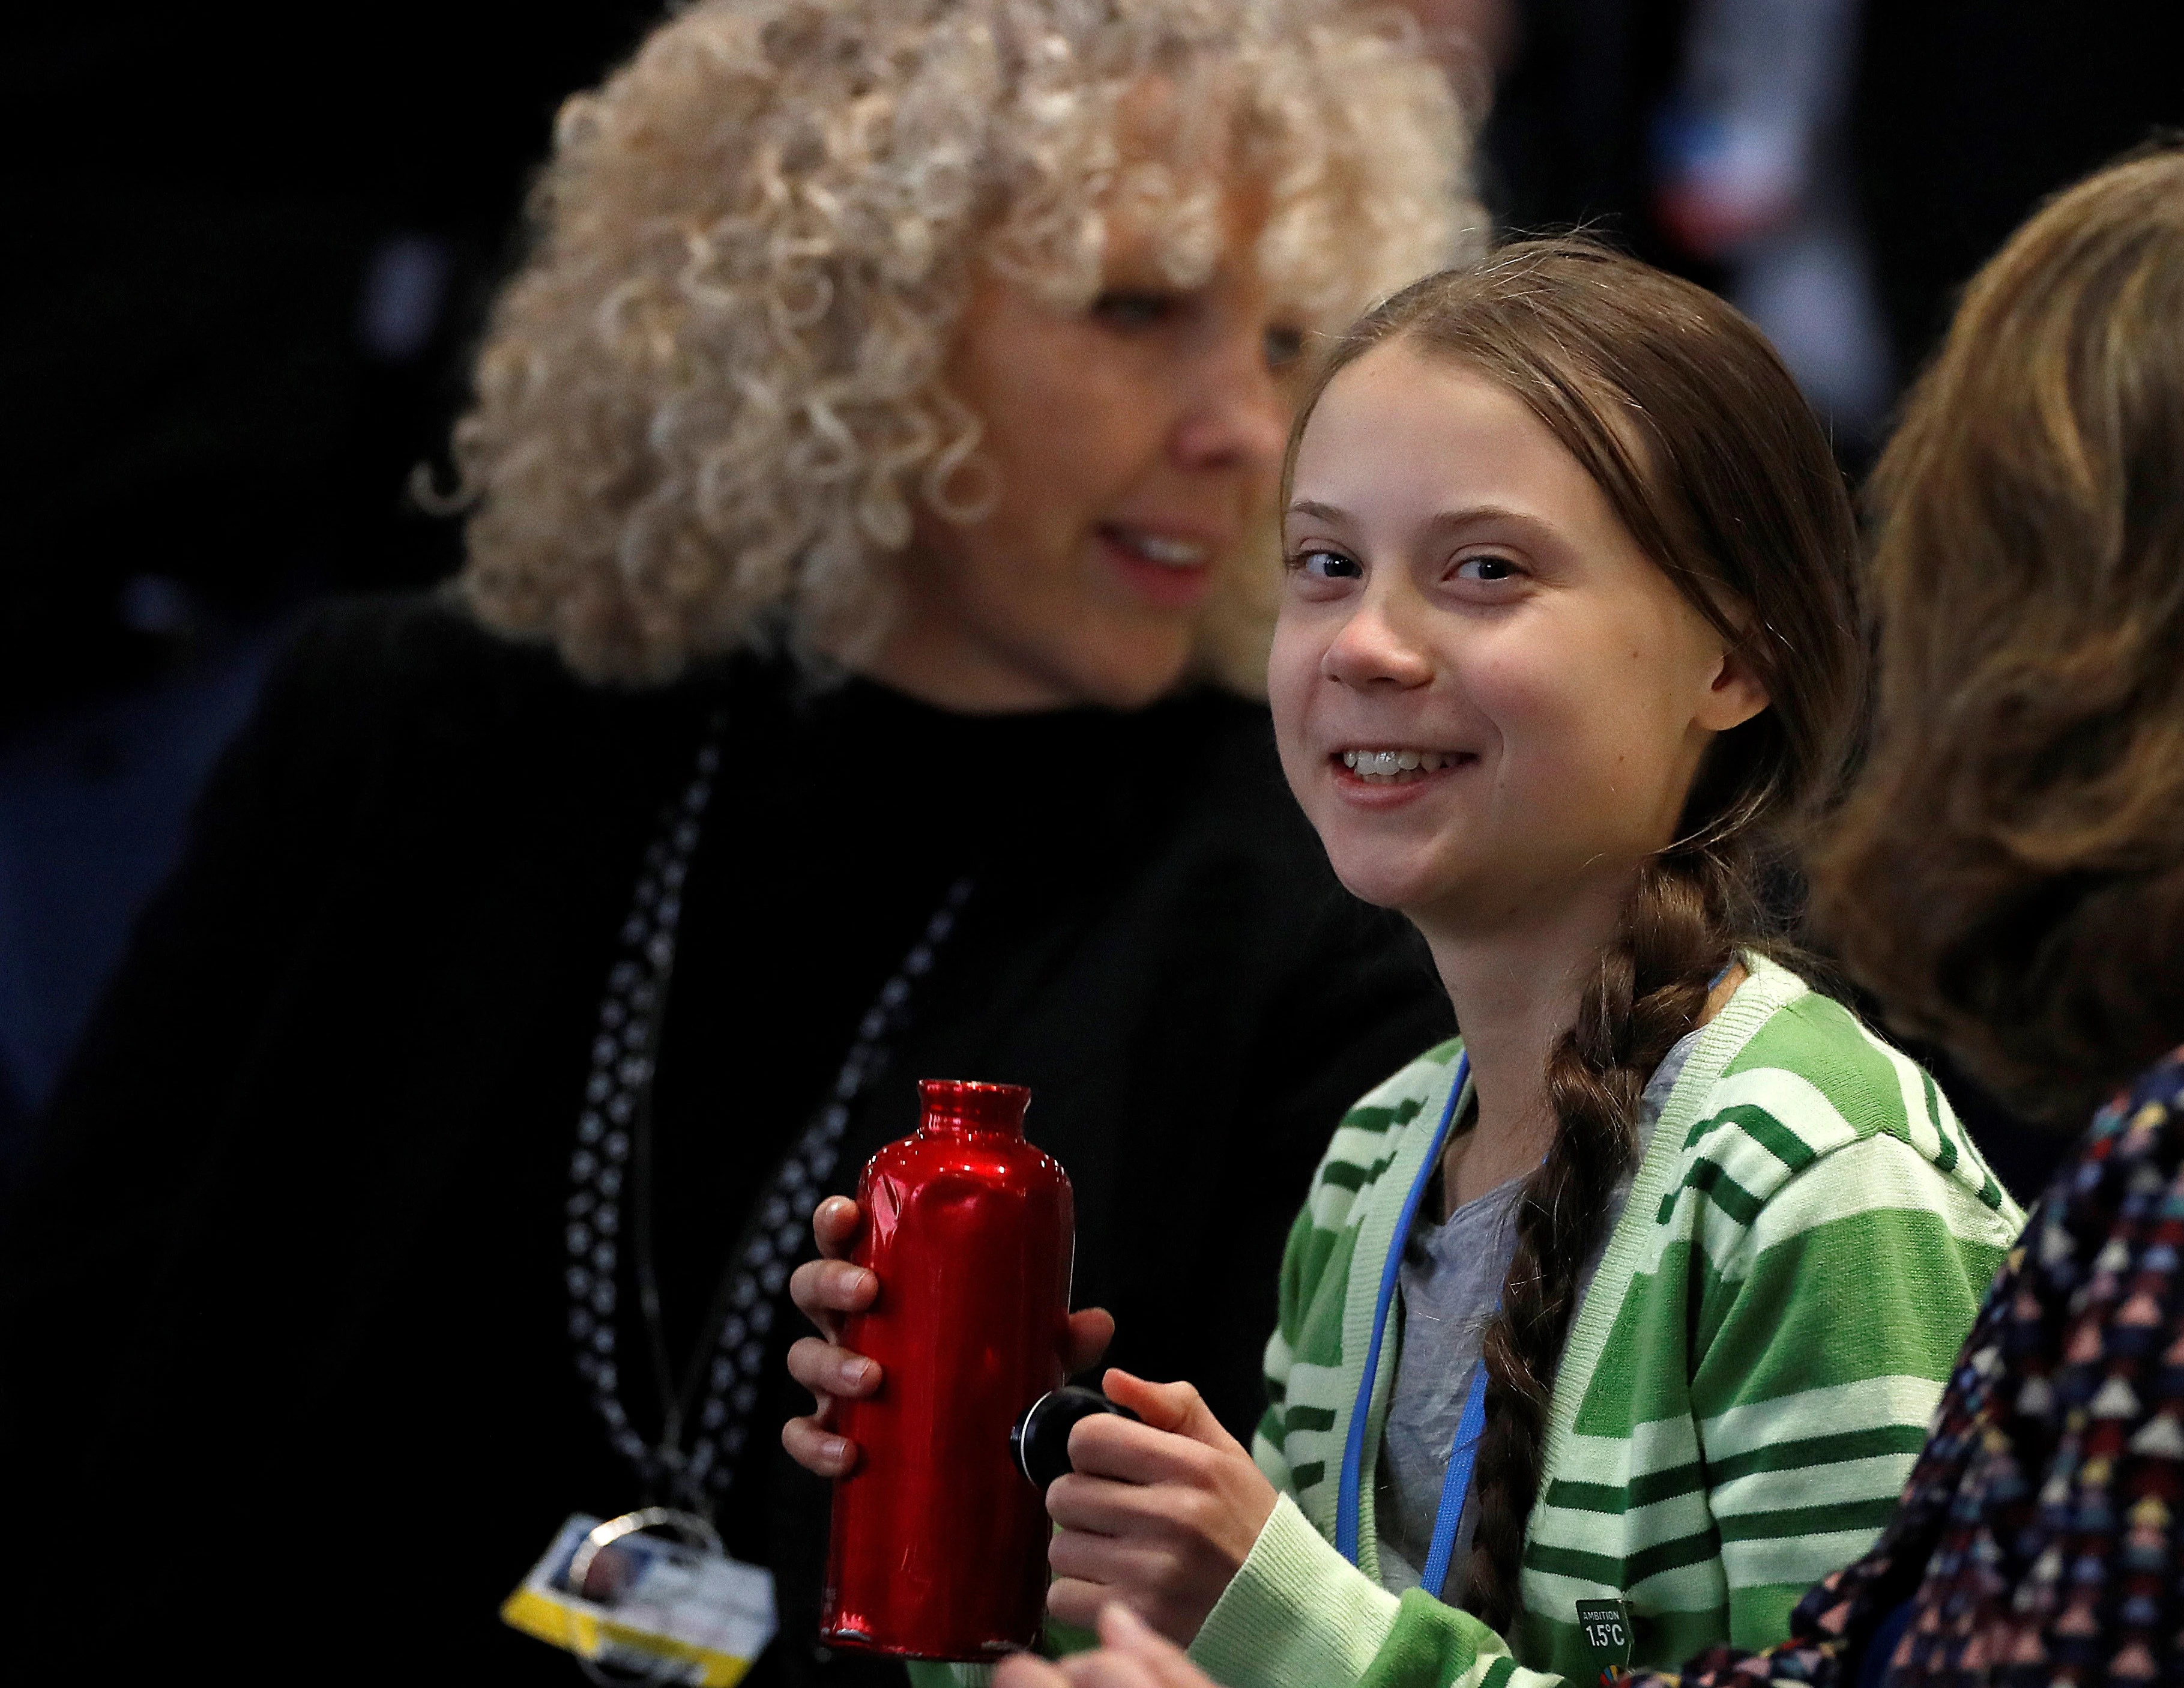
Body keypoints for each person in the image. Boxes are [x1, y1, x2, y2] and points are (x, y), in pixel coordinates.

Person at [1015, 135, 2184, 1688]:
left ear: (2160, 630)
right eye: (1319, 564)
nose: (1956, 631)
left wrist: (1292, 1639)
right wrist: (1010, 1532)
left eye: (1997, 538)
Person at [0, 2, 1475, 1680]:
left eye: (1289, 343)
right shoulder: (420, 739)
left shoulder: (1313, 891)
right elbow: (84, 1397)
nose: (1240, 426)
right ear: (845, 316)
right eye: (1133, 310)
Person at [787, 239, 2029, 1688]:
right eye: (1324, 564)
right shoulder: (1379, 1155)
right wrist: (972, 1497)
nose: (1367, 641)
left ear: (1735, 660)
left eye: (1485, 571)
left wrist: (1273, 1609)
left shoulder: (1813, 1169)